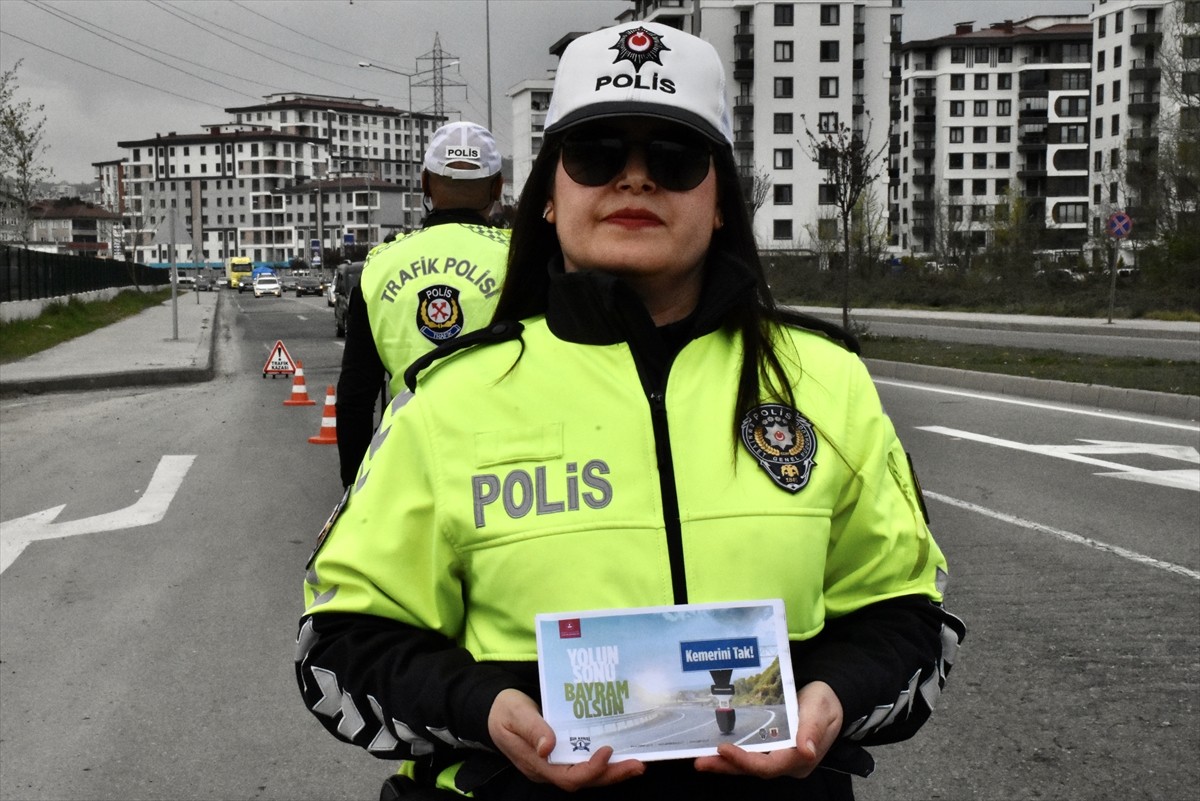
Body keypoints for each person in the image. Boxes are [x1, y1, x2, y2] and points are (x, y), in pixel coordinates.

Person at [297, 21, 965, 800]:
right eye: (598, 154)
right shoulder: (448, 398)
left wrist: (833, 698)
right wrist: (484, 709)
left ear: (720, 201)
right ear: (549, 195)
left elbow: (908, 615)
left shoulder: (825, 380)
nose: (636, 179)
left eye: (676, 158)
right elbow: (340, 640)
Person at [336, 121, 510, 489]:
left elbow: (355, 400)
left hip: (409, 469)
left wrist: (353, 492)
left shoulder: (379, 268)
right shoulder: (522, 260)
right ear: (497, 186)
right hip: (503, 471)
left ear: (424, 183)